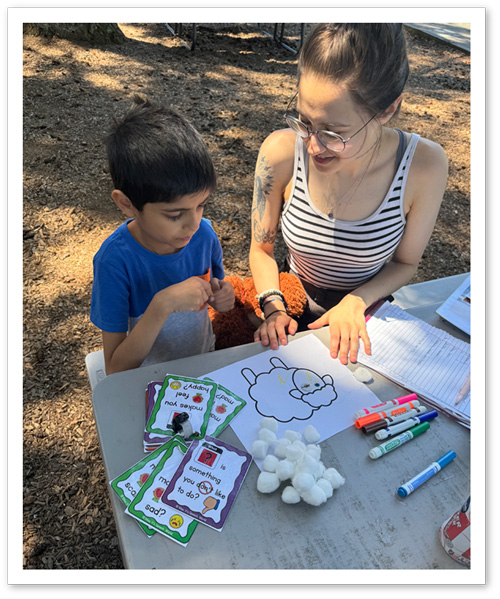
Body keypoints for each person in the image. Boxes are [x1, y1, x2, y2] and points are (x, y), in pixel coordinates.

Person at [249, 23, 448, 365]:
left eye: (334, 132)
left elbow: (405, 263)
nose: (312, 146)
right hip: (288, 302)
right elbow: (261, 249)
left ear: (387, 109)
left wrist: (357, 301)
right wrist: (273, 307)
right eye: (303, 121)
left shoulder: (424, 165)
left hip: (365, 316)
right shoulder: (280, 151)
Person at [90, 96, 235, 374]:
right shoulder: (114, 262)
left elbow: (218, 291)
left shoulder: (204, 235)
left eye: (201, 205)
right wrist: (162, 305)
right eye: (174, 215)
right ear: (126, 204)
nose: (193, 223)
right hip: (145, 381)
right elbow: (116, 368)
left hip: (203, 365)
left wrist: (223, 299)